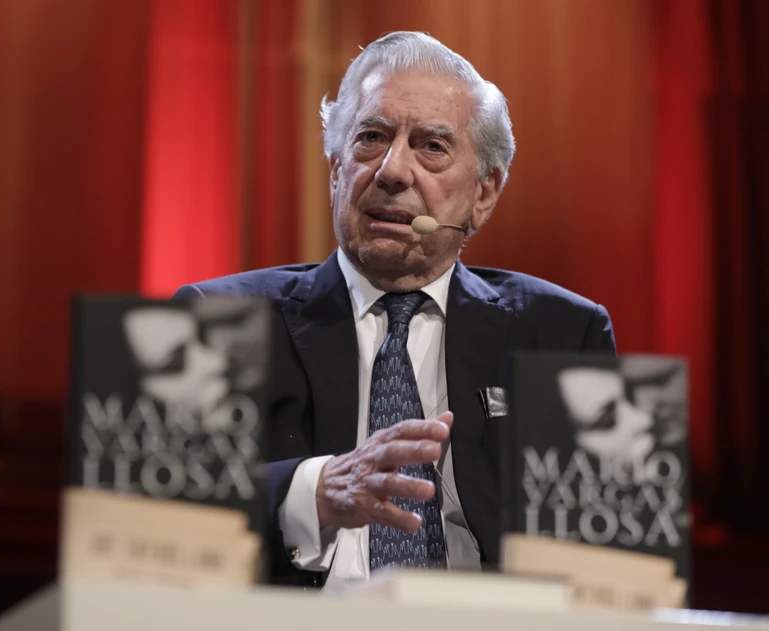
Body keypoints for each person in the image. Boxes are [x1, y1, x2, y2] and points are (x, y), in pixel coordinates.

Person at [174, 31, 616, 588]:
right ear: (335, 168)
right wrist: (316, 490)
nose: (392, 171)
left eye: (432, 146)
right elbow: (167, 508)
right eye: (371, 138)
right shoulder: (221, 320)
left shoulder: (559, 333)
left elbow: (606, 541)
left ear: (484, 193)